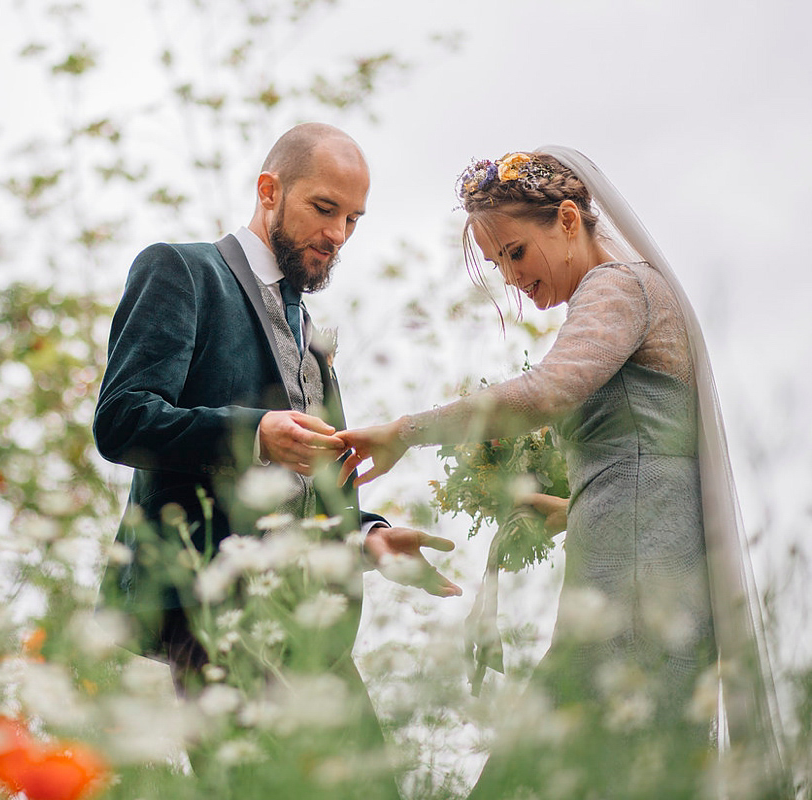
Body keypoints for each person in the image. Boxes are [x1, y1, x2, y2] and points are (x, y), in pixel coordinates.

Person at [337, 148, 789, 799]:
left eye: (516, 252)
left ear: (570, 219)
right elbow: (649, 462)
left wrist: (406, 431)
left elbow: (549, 390)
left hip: (633, 599)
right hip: (633, 583)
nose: (510, 275)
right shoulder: (627, 293)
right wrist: (567, 508)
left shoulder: (617, 287)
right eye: (497, 264)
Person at [93, 123, 459, 794]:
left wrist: (370, 536)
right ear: (269, 191)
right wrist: (253, 432)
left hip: (310, 621)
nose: (340, 234)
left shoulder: (313, 337)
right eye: (325, 209)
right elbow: (121, 419)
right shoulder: (181, 271)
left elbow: (316, 484)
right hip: (210, 607)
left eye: (353, 218)